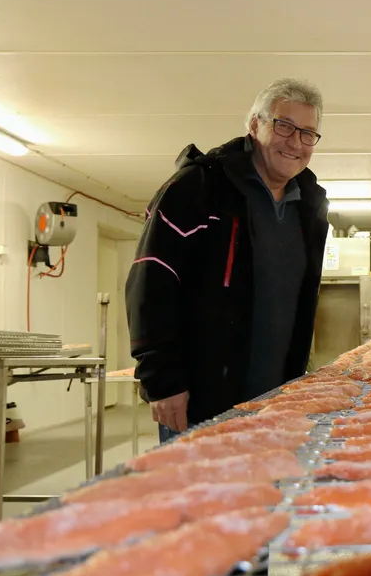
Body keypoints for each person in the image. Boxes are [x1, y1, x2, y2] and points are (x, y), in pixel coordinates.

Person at [125, 78, 330, 443]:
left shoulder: (310, 206)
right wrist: (162, 379)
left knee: (270, 493)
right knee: (202, 496)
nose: (295, 142)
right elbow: (152, 280)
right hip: (202, 396)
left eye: (308, 133)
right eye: (283, 125)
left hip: (278, 398)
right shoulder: (198, 188)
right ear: (254, 125)